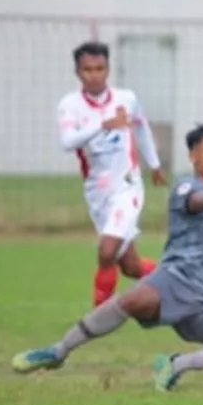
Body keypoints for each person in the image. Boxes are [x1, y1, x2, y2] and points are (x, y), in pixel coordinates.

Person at [11, 125, 203, 391]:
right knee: (132, 301)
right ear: (194, 155)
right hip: (173, 280)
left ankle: (176, 365)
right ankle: (58, 351)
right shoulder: (186, 187)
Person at [56, 41, 167, 306]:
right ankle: (180, 280)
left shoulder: (126, 99)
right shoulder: (69, 105)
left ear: (108, 69)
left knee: (107, 251)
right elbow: (67, 142)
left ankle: (98, 318)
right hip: (98, 190)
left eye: (100, 68)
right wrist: (102, 124)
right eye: (88, 70)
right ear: (77, 72)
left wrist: (154, 163)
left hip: (127, 185)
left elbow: (141, 127)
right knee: (131, 266)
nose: (94, 75)